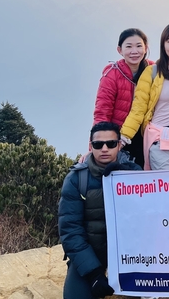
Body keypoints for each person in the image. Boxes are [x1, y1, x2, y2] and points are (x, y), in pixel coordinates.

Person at [59, 122, 142, 299]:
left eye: (111, 144)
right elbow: (70, 230)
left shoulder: (136, 174)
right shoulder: (76, 179)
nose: (104, 149)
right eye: (98, 144)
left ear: (119, 145)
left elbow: (146, 220)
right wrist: (94, 274)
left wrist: (123, 178)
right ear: (90, 146)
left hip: (128, 257)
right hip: (91, 252)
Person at [121, 23, 169, 170]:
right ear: (163, 45)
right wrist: (123, 137)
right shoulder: (152, 72)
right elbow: (138, 109)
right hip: (160, 141)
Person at [93, 28, 153, 167]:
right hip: (121, 138)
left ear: (146, 48)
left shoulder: (153, 69)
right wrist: (96, 146)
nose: (134, 51)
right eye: (129, 46)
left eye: (139, 46)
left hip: (148, 136)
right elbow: (102, 112)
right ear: (119, 50)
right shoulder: (112, 74)